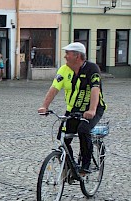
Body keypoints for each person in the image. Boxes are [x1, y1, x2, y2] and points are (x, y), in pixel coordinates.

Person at [38, 42, 106, 175]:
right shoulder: (64, 70)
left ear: (77, 56)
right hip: (73, 109)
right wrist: (45, 106)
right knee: (63, 137)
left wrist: (92, 110)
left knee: (83, 129)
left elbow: (95, 89)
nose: (65, 57)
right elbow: (54, 88)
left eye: (67, 54)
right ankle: (70, 165)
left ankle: (85, 165)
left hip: (94, 108)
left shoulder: (92, 69)